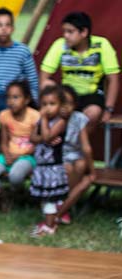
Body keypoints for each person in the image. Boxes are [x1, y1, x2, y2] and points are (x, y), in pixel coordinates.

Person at [39, 11, 119, 128]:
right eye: (64, 31)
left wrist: (108, 109)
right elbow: (43, 77)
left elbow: (113, 79)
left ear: (84, 32)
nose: (65, 36)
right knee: (46, 84)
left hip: (92, 94)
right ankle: (57, 138)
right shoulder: (60, 45)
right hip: (66, 94)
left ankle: (77, 144)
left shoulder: (102, 45)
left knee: (93, 112)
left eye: (70, 32)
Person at [0, 7, 39, 121]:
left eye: (7, 25)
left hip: (11, 96)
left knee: (12, 119)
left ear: (12, 29)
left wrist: (35, 102)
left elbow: (32, 79)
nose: (3, 29)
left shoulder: (22, 50)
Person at [0, 80, 39, 191]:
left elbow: (37, 144)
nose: (11, 101)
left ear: (26, 100)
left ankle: (18, 193)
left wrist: (19, 156)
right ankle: (3, 193)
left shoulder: (34, 116)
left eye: (16, 97)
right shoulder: (4, 115)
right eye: (8, 97)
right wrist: (7, 155)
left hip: (28, 157)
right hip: (8, 155)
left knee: (15, 176)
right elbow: (3, 141)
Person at [29, 86, 70, 237]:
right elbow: (33, 138)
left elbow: (46, 137)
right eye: (44, 104)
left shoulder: (60, 122)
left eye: (52, 104)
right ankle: (49, 221)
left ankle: (49, 227)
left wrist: (44, 121)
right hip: (41, 167)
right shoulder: (41, 121)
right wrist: (43, 136)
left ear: (61, 106)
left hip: (52, 168)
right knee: (44, 198)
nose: (47, 108)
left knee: (50, 199)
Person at [56, 85, 95, 226]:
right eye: (62, 102)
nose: (66, 107)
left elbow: (86, 147)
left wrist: (92, 170)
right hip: (57, 156)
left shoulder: (79, 118)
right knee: (68, 168)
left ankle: (65, 204)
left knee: (81, 164)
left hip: (75, 155)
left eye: (70, 103)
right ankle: (65, 206)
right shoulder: (52, 118)